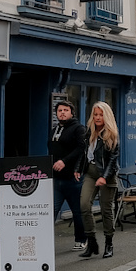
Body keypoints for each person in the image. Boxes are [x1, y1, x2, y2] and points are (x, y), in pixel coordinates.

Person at [77, 102, 120, 259]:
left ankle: (109, 243)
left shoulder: (111, 135)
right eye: (95, 114)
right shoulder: (90, 132)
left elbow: (113, 159)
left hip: (107, 175)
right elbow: (83, 154)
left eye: (101, 115)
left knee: (106, 209)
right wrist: (78, 169)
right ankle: (92, 241)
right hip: (90, 172)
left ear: (106, 116)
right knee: (84, 204)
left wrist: (104, 177)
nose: (97, 117)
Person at [48, 100, 88, 251]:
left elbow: (81, 148)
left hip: (73, 178)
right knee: (50, 211)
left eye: (65, 110)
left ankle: (81, 239)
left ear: (72, 113)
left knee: (77, 211)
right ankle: (44, 240)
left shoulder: (78, 129)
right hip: (57, 179)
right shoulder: (54, 130)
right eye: (59, 110)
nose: (62, 113)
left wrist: (65, 161)